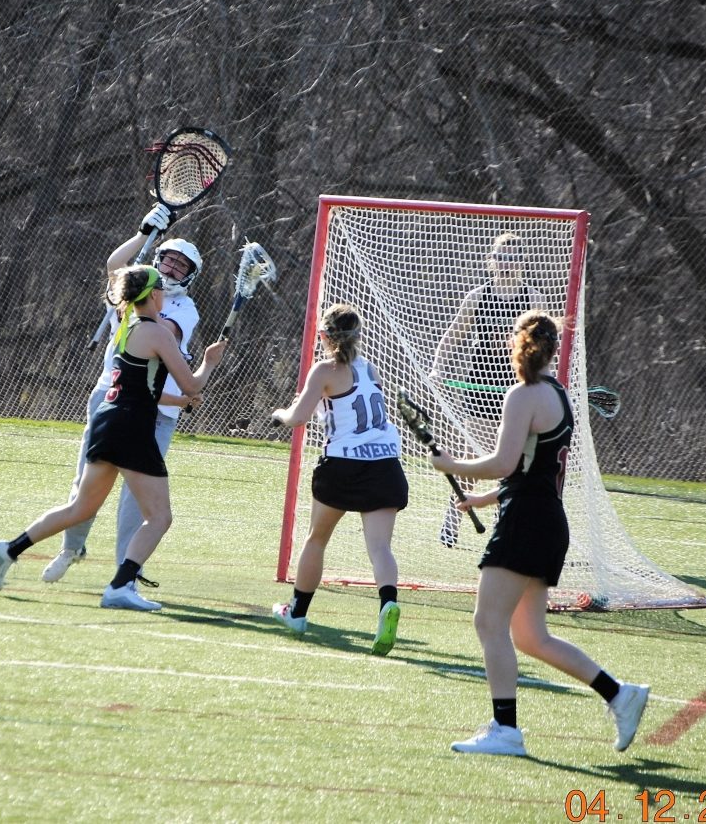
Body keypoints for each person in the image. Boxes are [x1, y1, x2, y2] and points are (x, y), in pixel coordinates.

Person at [429, 310, 649, 756]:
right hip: (547, 521)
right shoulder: (559, 395)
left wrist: (452, 466)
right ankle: (618, 694)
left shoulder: (522, 395)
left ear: (520, 346)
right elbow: (530, 470)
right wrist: (483, 500)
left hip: (527, 523)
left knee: (488, 622)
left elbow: (504, 463)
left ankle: (505, 730)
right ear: (551, 350)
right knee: (530, 636)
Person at [0, 264, 227, 611]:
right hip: (131, 429)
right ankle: (120, 585)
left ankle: (7, 550)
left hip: (109, 422)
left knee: (81, 508)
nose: (163, 293)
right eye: (160, 288)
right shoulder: (157, 333)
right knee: (159, 518)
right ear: (153, 294)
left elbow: (146, 390)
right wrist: (209, 362)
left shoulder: (127, 326)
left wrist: (181, 399)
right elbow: (192, 383)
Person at [40, 203, 203, 585]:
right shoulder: (136, 288)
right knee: (86, 482)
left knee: (137, 496)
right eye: (169, 259)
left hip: (157, 412)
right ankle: (71, 547)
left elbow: (161, 335)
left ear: (189, 276)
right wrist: (144, 233)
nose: (173, 269)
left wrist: (135, 296)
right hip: (110, 398)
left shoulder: (183, 308)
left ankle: (125, 569)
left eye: (182, 266)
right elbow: (115, 264)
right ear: (158, 259)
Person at [270, 303, 409, 656]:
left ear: (325, 336)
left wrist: (280, 415)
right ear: (357, 336)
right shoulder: (369, 368)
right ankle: (387, 603)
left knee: (316, 540)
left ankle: (297, 613)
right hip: (385, 464)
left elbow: (298, 418)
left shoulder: (325, 369)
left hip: (343, 465)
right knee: (380, 548)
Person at [430, 232, 546, 546]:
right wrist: (439, 368)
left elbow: (546, 346)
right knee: (472, 458)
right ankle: (453, 516)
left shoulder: (533, 300)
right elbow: (451, 338)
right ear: (490, 261)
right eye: (501, 257)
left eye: (513, 257)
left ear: (524, 262)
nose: (506, 263)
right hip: (480, 389)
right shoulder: (477, 297)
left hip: (518, 390)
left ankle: (502, 518)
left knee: (511, 461)